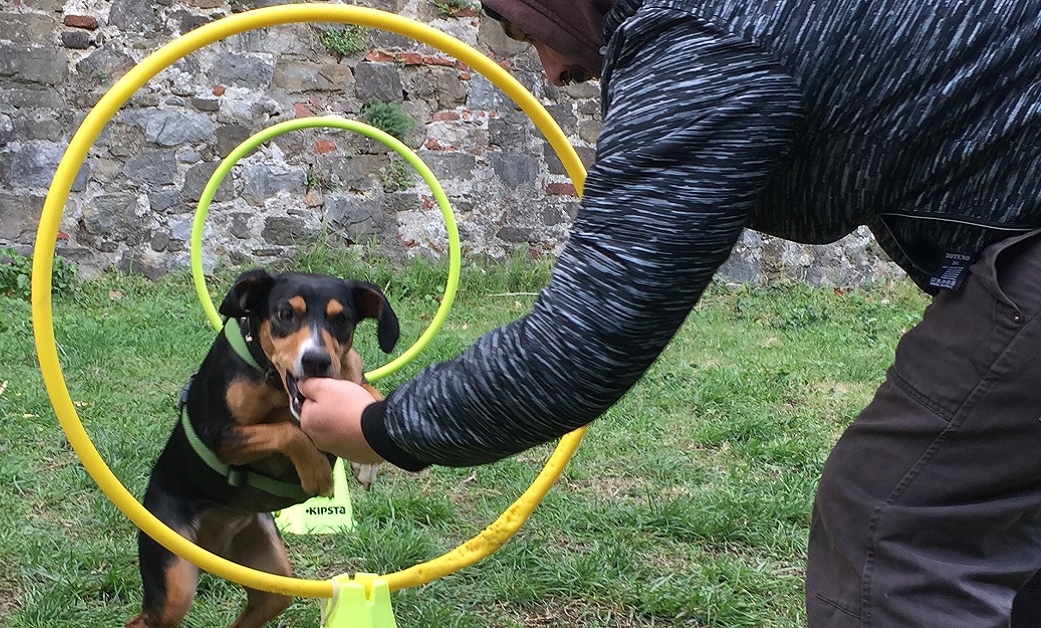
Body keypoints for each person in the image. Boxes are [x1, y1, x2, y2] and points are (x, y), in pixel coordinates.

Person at [298, 0, 1041, 625]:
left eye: (523, 30)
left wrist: (378, 429)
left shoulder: (702, 37)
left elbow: (579, 343)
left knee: (898, 523)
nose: (553, 73)